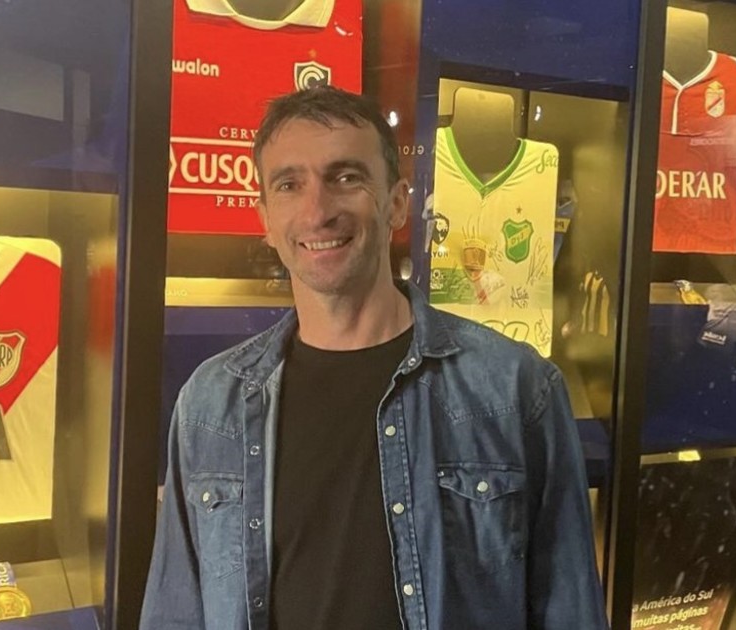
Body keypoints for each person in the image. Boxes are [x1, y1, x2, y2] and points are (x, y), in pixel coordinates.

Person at [140, 86, 608, 630]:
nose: (318, 211)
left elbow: (570, 612)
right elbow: (174, 615)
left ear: (397, 204)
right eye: (289, 185)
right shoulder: (209, 405)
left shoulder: (513, 389)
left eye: (346, 178)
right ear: (265, 218)